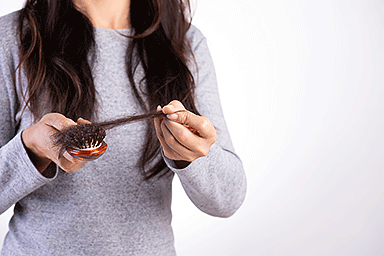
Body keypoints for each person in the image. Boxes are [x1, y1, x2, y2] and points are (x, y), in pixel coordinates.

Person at [0, 0, 247, 255]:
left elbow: (228, 198)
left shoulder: (184, 43)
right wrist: (30, 150)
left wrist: (193, 156)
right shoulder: (11, 38)